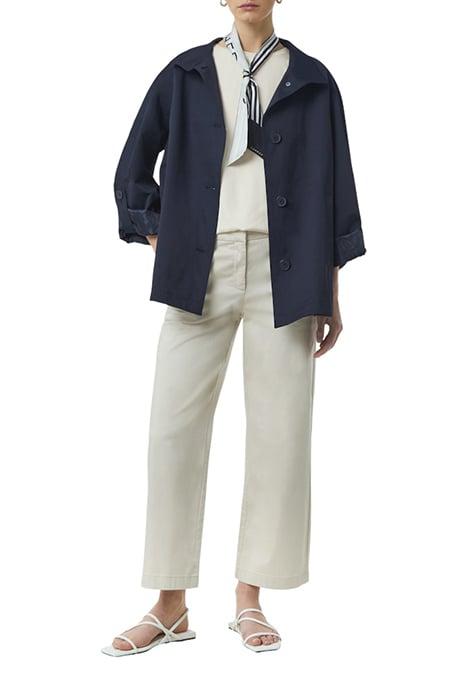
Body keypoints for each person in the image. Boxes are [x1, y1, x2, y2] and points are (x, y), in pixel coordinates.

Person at [102, 0, 366, 656]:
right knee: (171, 431)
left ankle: (250, 597)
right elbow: (132, 166)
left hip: (288, 270)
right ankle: (169, 605)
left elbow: (336, 187)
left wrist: (330, 290)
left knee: (280, 433)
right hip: (200, 265)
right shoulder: (186, 73)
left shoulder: (313, 79)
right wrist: (160, 233)